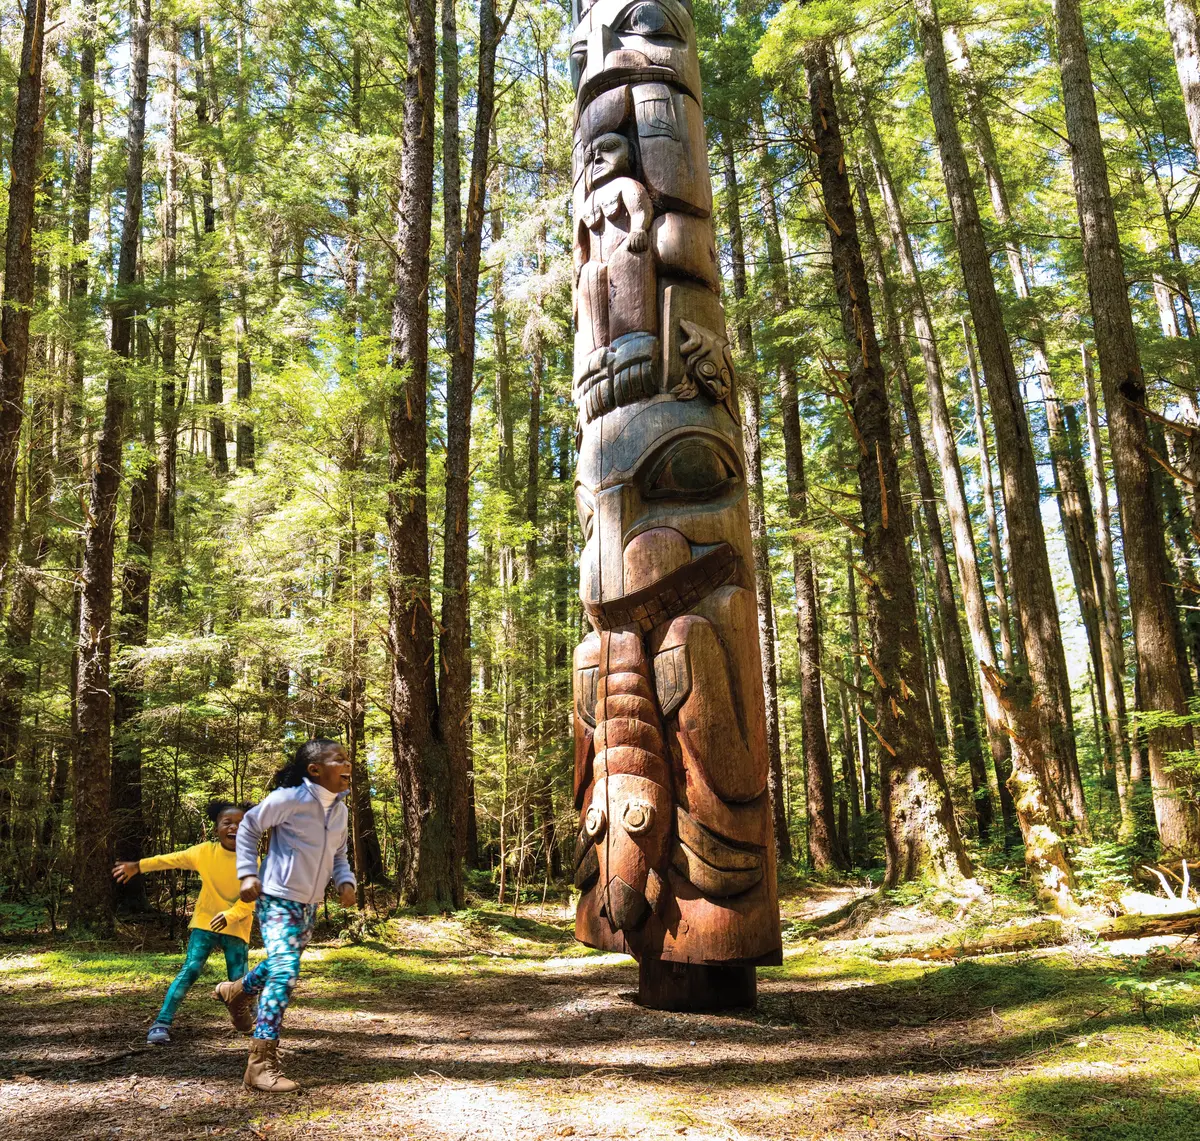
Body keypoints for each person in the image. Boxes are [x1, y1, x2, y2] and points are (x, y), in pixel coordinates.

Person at [221, 738, 357, 1093]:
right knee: (285, 971)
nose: (348, 764)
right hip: (276, 898)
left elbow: (339, 854)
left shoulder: (340, 811)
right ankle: (259, 1062)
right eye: (338, 759)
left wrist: (345, 881)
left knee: (280, 963)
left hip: (307, 905)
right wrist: (247, 873)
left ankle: (237, 991)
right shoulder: (290, 799)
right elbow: (250, 826)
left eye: (348, 759)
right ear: (315, 770)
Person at [112, 801, 256, 1045]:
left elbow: (250, 901)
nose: (234, 828)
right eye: (227, 823)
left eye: (241, 824)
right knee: (190, 969)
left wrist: (230, 915)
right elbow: (169, 859)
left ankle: (250, 1020)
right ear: (216, 829)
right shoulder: (203, 852)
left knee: (239, 981)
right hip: (204, 923)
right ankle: (162, 1022)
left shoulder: (253, 861)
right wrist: (137, 866)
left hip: (236, 926)